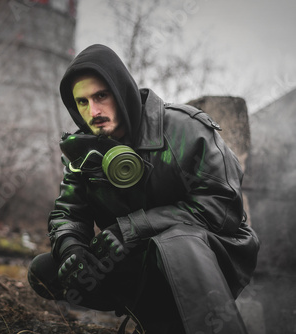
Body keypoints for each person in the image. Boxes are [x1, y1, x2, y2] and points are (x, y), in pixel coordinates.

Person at [28, 44, 259, 334]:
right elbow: (68, 213)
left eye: (101, 95)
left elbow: (222, 207)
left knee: (177, 241)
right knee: (46, 272)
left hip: (213, 252)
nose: (94, 111)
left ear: (121, 89)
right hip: (139, 256)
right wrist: (70, 246)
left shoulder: (184, 129)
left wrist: (133, 228)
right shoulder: (83, 151)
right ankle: (155, 320)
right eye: (83, 102)